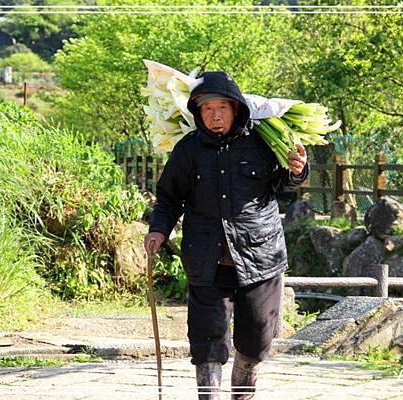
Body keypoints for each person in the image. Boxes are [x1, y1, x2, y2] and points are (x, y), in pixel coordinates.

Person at [144, 70, 309, 400]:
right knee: (208, 337)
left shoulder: (262, 142)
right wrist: (158, 230)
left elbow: (284, 184)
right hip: (207, 256)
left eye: (221, 108)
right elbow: (169, 197)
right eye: (207, 109)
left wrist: (299, 170)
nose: (215, 116)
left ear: (236, 108)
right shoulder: (188, 149)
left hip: (260, 254)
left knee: (258, 334)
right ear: (197, 112)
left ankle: (242, 391)